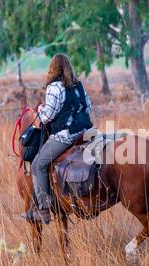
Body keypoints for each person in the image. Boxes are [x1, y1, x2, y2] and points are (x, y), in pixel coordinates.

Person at [29, 54, 93, 224]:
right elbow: (88, 106)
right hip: (87, 132)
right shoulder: (78, 86)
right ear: (68, 67)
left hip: (66, 136)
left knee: (38, 165)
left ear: (53, 69)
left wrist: (40, 110)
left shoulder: (54, 88)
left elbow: (47, 116)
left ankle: (43, 209)